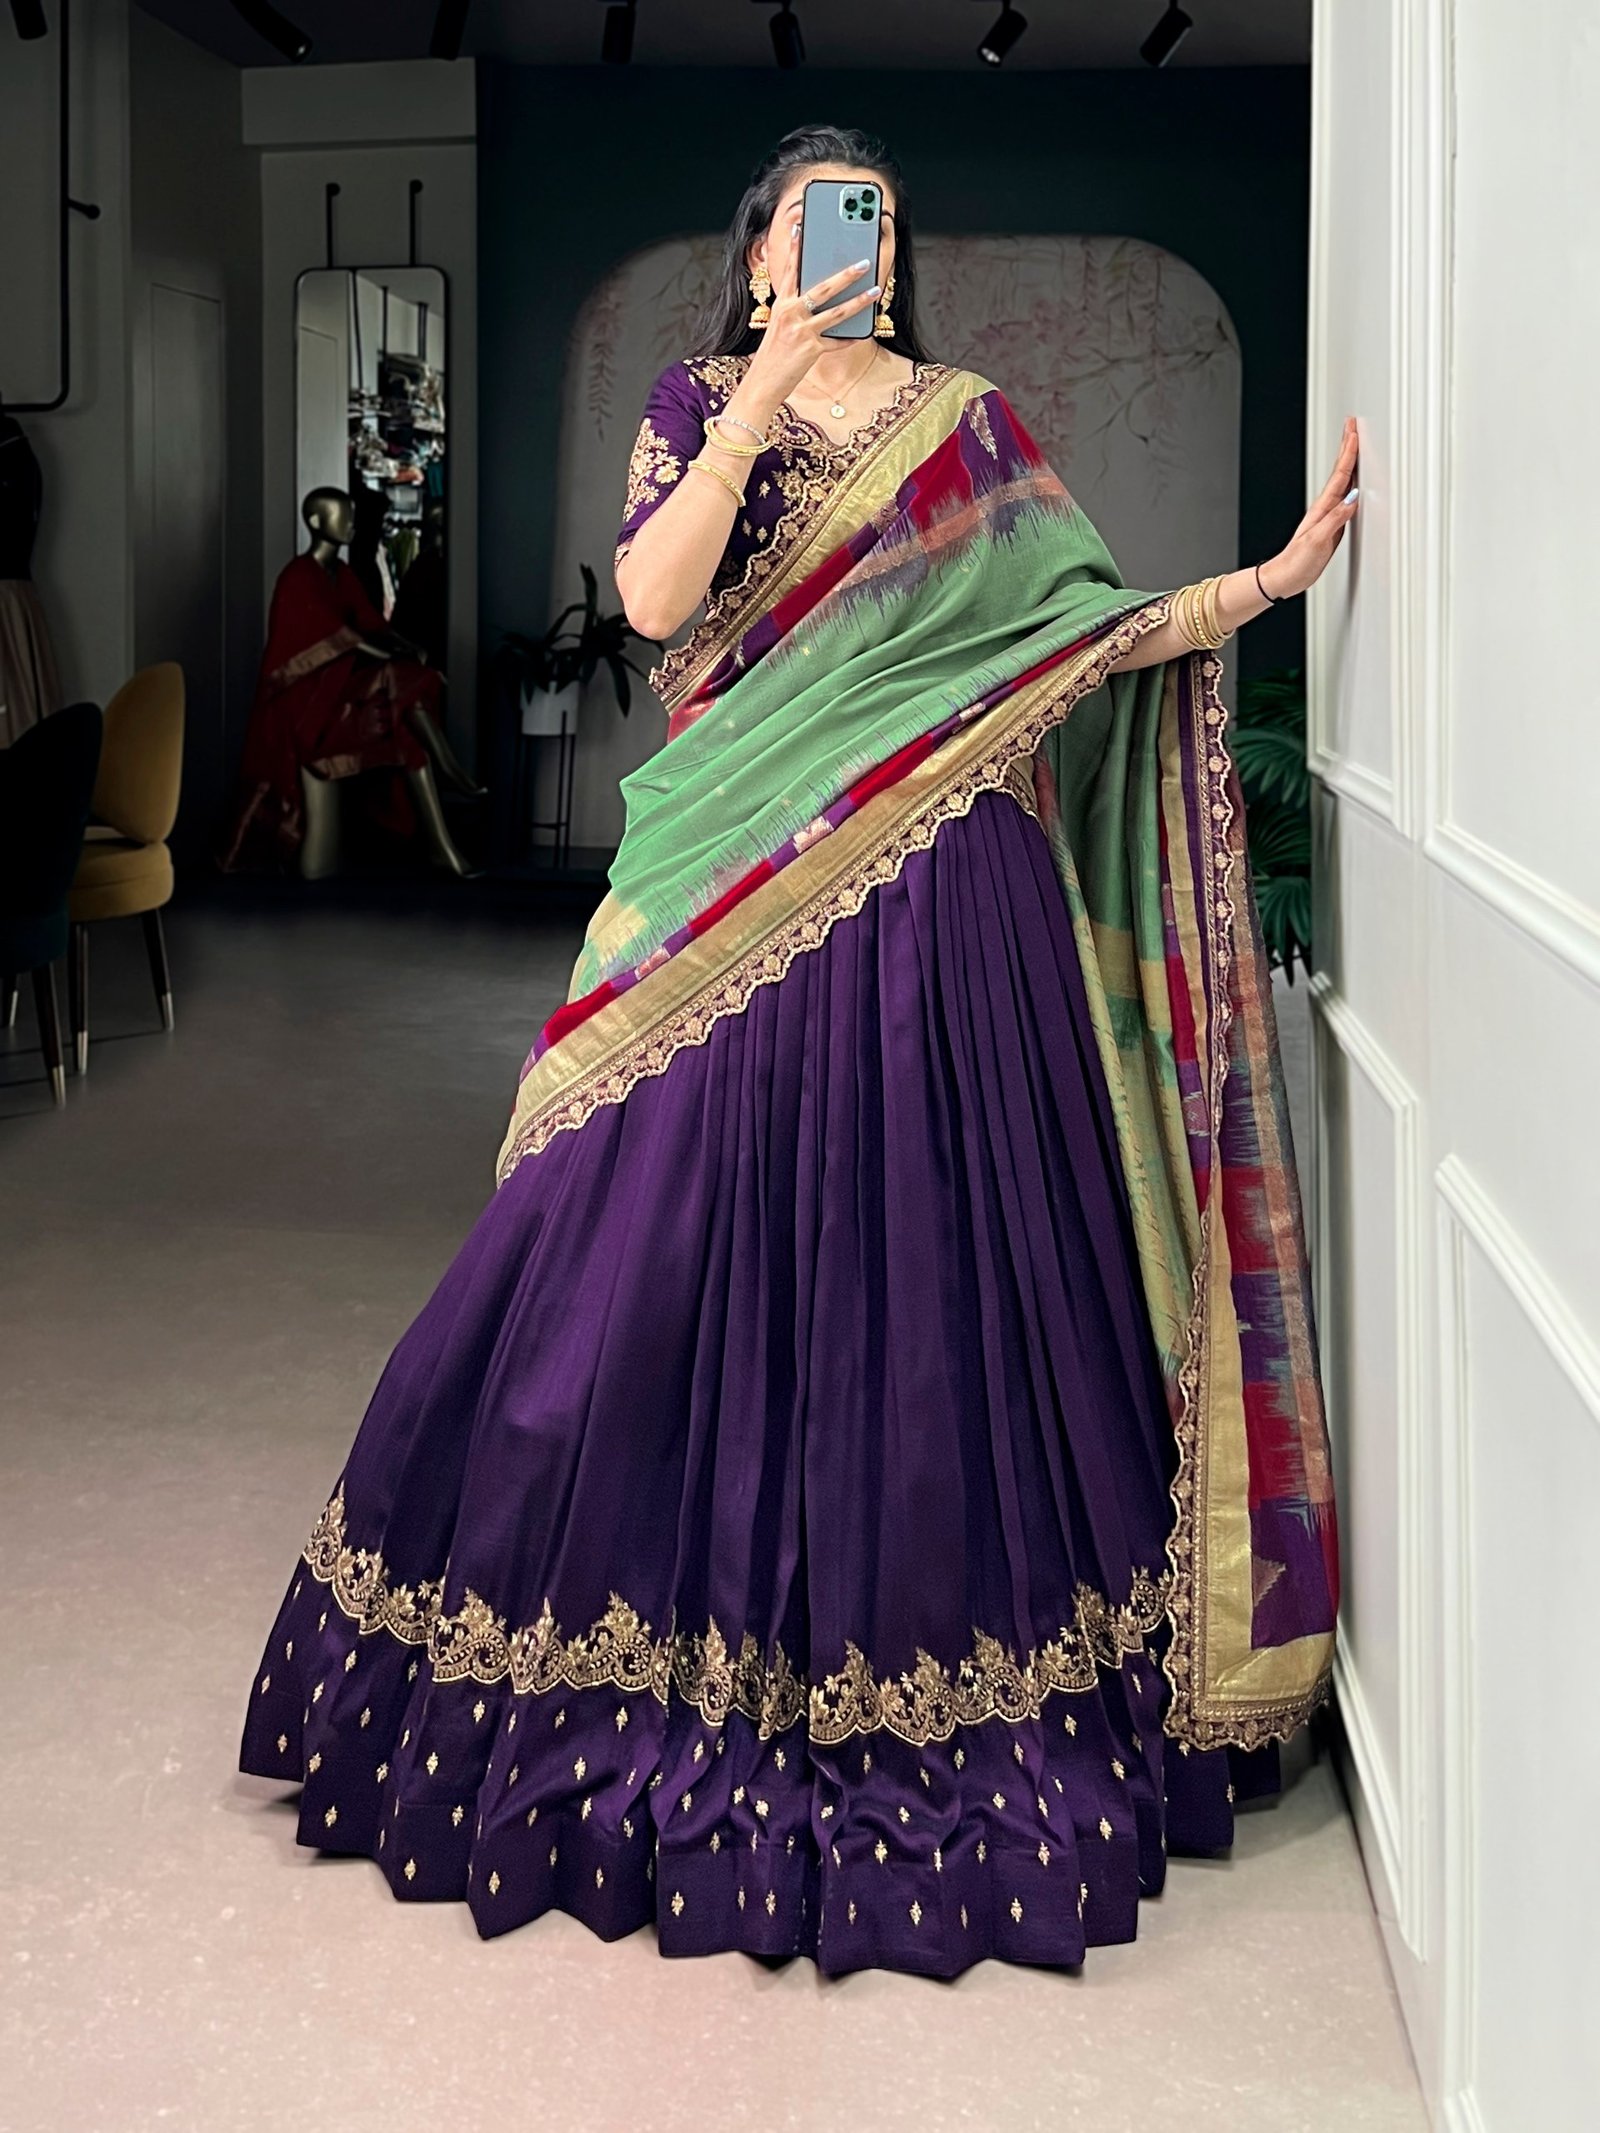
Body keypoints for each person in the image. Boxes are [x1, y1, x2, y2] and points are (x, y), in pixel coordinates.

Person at [239, 127, 1352, 1980]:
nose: (860, 244)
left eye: (882, 221)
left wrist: (1263, 583)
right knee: (622, 1253)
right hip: (727, 890)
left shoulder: (967, 428)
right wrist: (757, 395)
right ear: (759, 253)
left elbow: (1071, 642)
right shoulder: (698, 406)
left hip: (945, 905)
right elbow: (657, 604)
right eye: (825, 221)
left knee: (941, 1284)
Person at [220, 486, 481, 877]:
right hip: (303, 700)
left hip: (337, 689)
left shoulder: (341, 573)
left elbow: (370, 622)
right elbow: (334, 637)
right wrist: (388, 655)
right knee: (395, 677)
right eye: (344, 515)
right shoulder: (297, 575)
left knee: (408, 728)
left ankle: (442, 841)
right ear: (316, 521)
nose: (351, 524)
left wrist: (404, 645)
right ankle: (450, 769)